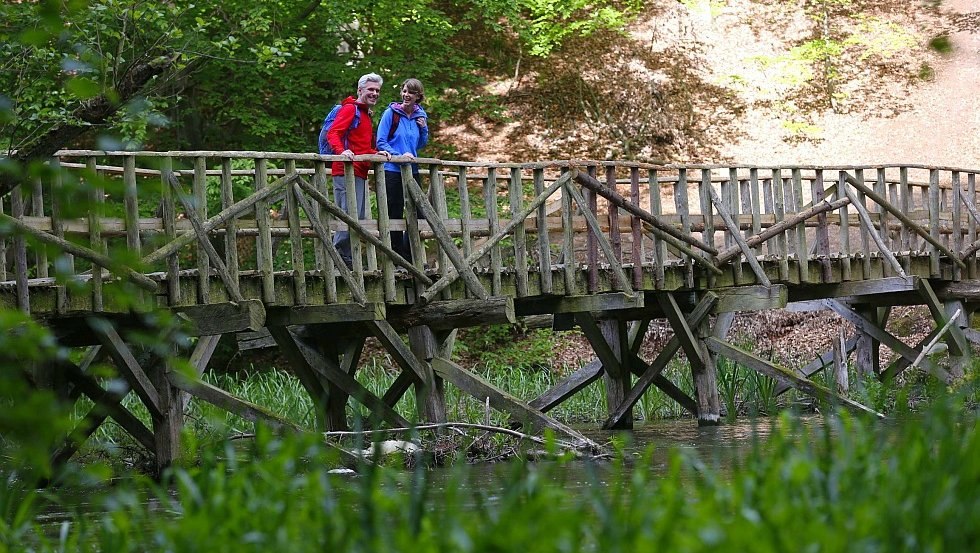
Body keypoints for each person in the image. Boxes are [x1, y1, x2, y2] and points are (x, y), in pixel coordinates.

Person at [326, 72, 392, 268]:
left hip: (359, 170)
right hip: (346, 169)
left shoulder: (364, 114)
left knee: (357, 216)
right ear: (360, 90)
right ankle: (340, 257)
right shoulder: (350, 109)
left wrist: (377, 153)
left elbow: (361, 147)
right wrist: (341, 151)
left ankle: (347, 258)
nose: (374, 93)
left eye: (377, 90)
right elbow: (334, 133)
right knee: (347, 214)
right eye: (370, 89)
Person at [376, 78, 429, 262]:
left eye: (411, 93)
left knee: (418, 212)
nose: (406, 95)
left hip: (412, 170)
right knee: (395, 211)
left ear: (418, 96)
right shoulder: (391, 114)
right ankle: (396, 257)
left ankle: (408, 253)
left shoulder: (419, 116)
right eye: (404, 91)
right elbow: (381, 142)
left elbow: (420, 144)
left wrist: (423, 129)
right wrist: (399, 155)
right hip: (392, 169)